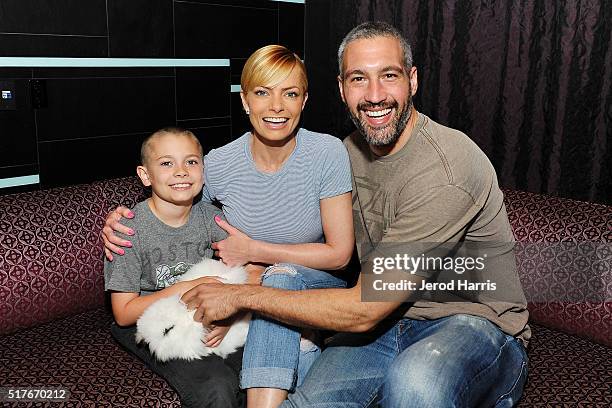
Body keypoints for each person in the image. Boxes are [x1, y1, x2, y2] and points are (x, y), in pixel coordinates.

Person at [177, 22, 531, 407]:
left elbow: (363, 308)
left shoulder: (447, 170)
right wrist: (136, 221)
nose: (375, 95)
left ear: (412, 81)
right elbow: (192, 192)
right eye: (359, 79)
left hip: (473, 322)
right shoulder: (345, 153)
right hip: (387, 324)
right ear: (342, 89)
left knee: (415, 383)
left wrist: (244, 296)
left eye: (389, 76)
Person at [103, 45, 354, 408]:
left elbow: (339, 254)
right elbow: (184, 219)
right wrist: (120, 220)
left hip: (313, 277)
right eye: (263, 92)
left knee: (281, 277)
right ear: (245, 100)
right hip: (248, 286)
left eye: (291, 93)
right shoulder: (217, 164)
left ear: (305, 100)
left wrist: (254, 253)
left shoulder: (327, 153)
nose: (277, 106)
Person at [104, 127, 249, 408]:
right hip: (147, 322)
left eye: (191, 162)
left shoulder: (211, 218)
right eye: (167, 163)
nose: (182, 171)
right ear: (145, 175)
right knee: (216, 387)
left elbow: (247, 262)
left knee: (254, 367)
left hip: (200, 314)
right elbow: (122, 314)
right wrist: (183, 288)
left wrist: (227, 317)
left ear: (203, 171)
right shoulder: (128, 230)